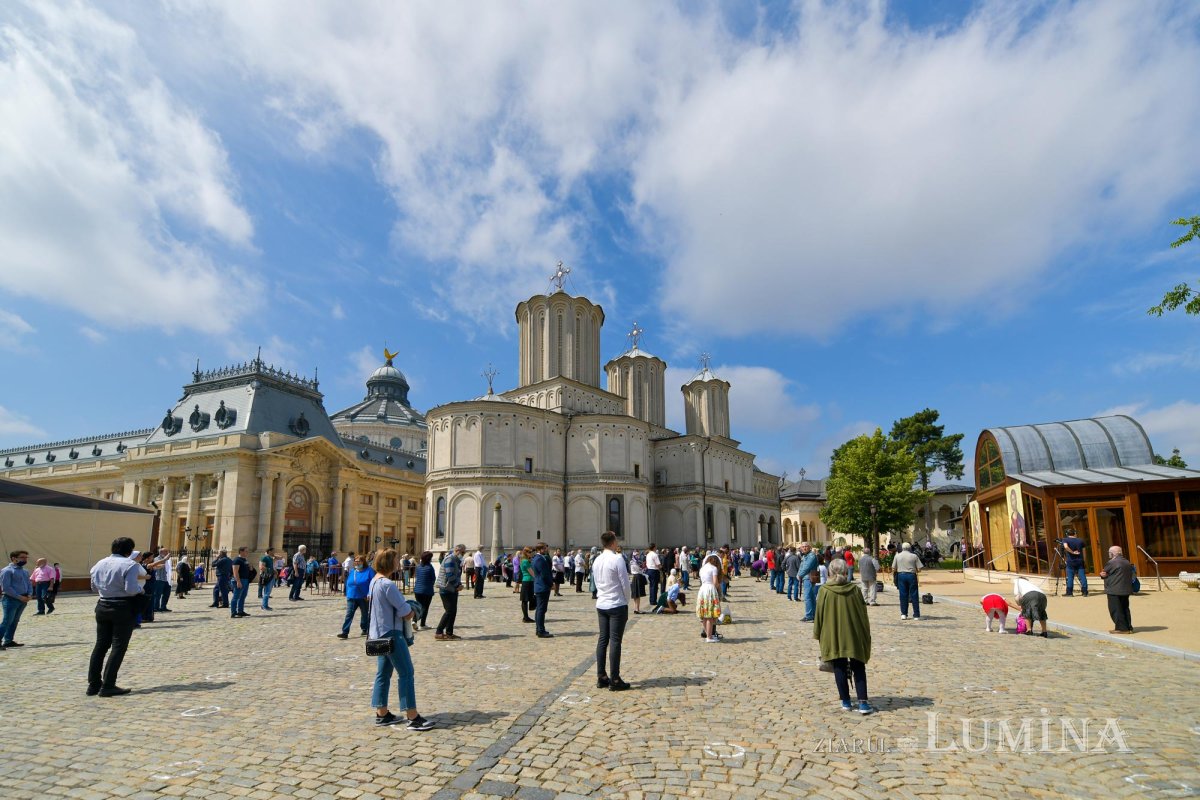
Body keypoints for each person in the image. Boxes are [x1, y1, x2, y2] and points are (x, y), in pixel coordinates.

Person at [367, 549, 434, 730]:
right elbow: (406, 613)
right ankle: (412, 716)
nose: (398, 563)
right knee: (406, 672)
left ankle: (382, 713)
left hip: (378, 634)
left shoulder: (374, 582)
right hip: (392, 634)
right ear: (390, 563)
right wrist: (413, 608)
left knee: (383, 674)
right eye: (396, 560)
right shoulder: (388, 585)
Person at [813, 558, 876, 715]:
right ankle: (862, 703)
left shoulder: (824, 590)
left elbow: (818, 614)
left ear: (830, 572)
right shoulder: (854, 590)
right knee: (858, 666)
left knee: (839, 667)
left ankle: (846, 701)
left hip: (832, 633)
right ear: (844, 571)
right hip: (853, 633)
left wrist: (818, 633)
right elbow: (862, 613)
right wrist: (865, 632)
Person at [87, 537, 145, 696]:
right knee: (119, 646)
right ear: (129, 551)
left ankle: (93, 684)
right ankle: (108, 685)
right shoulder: (130, 565)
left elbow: (93, 587)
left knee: (100, 646)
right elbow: (131, 589)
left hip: (102, 605)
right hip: (122, 607)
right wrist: (141, 591)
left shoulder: (99, 564)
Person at [593, 531, 631, 691]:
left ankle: (601, 676)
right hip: (616, 604)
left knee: (603, 639)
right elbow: (625, 582)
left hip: (602, 604)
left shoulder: (597, 560)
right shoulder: (617, 559)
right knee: (615, 641)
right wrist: (626, 600)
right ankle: (615, 679)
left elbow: (596, 582)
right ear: (613, 542)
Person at [0, 550, 32, 649]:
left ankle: (8, 640)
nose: (25, 559)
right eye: (22, 557)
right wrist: (19, 597)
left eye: (26, 557)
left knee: (15, 620)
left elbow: (29, 584)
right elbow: (6, 587)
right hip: (11, 599)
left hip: (23, 599)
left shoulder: (25, 571)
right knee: (7, 621)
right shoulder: (7, 571)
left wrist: (30, 594)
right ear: (14, 558)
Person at [1100, 546, 1134, 634]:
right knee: (1124, 608)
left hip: (1114, 589)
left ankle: (1122, 628)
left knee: (1115, 609)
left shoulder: (1112, 562)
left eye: (1109, 553)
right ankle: (1128, 627)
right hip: (1125, 589)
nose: (1109, 554)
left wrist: (1102, 575)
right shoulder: (1126, 561)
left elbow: (1104, 573)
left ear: (1112, 553)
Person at [434, 544, 465, 640]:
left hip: (452, 589)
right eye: (463, 552)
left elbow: (456, 575)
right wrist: (457, 585)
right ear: (457, 550)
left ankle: (449, 633)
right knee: (449, 611)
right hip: (446, 589)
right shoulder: (450, 559)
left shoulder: (456, 560)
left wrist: (458, 584)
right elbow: (450, 575)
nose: (463, 554)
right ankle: (439, 632)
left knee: (453, 611)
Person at [339, 554, 374, 638]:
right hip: (352, 596)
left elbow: (372, 583)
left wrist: (369, 594)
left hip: (364, 596)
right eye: (356, 561)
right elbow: (349, 582)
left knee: (365, 614)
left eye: (359, 561)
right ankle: (345, 632)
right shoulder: (353, 571)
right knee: (349, 614)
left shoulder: (369, 570)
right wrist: (347, 593)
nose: (357, 563)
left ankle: (364, 629)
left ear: (363, 562)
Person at [892, 543, 922, 621]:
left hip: (901, 575)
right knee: (914, 594)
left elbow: (893, 568)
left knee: (903, 595)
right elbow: (919, 569)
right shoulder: (914, 556)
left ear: (902, 548)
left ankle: (904, 614)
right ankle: (916, 614)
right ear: (909, 548)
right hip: (911, 575)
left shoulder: (897, 556)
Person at [697, 555, 723, 643]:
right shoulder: (714, 568)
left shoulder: (702, 568)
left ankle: (708, 634)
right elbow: (715, 582)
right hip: (710, 589)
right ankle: (709, 636)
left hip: (702, 589)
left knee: (704, 614)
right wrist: (717, 590)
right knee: (710, 615)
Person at [531, 542, 554, 638]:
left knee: (540, 609)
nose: (546, 550)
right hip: (542, 586)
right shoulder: (539, 559)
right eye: (544, 548)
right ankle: (540, 630)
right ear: (540, 549)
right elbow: (544, 574)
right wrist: (550, 584)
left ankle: (539, 629)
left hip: (540, 585)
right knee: (541, 609)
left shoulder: (538, 558)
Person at [797, 543, 821, 622]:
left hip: (809, 578)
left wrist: (800, 575)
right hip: (806, 578)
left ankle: (809, 616)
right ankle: (813, 614)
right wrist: (798, 574)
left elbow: (807, 567)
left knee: (808, 597)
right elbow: (801, 566)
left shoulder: (811, 555)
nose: (804, 548)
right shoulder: (805, 555)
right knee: (811, 597)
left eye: (806, 546)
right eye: (802, 547)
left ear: (809, 547)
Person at [1061, 529, 1088, 597]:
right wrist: (1084, 560)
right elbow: (1084, 551)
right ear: (1075, 533)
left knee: (1070, 577)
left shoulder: (1065, 539)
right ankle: (1085, 592)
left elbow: (1066, 547)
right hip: (1080, 560)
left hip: (1070, 561)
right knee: (1082, 576)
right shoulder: (1080, 540)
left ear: (1067, 534)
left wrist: (1072, 552)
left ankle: (1069, 592)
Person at [413, 552, 435, 630]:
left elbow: (416, 576)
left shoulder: (418, 567)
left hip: (417, 590)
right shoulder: (430, 567)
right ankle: (422, 624)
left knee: (419, 606)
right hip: (427, 590)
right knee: (425, 607)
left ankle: (414, 620)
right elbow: (433, 578)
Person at [230, 546, 252, 618]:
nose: (247, 553)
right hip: (240, 580)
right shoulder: (237, 560)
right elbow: (235, 571)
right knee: (236, 596)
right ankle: (233, 612)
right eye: (246, 551)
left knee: (243, 596)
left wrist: (250, 567)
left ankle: (240, 611)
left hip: (245, 580)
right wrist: (238, 581)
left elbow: (249, 569)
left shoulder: (245, 560)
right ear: (241, 552)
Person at [645, 544, 662, 609]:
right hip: (654, 571)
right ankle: (653, 601)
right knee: (654, 586)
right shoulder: (654, 555)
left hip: (649, 570)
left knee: (651, 586)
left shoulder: (648, 554)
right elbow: (658, 564)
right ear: (654, 547)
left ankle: (651, 599)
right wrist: (661, 568)